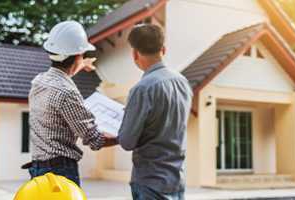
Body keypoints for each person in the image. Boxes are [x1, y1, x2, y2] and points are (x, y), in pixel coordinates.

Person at [27, 21, 118, 187]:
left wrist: (81, 63)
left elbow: (62, 74)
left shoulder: (39, 82)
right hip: (60, 173)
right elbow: (95, 140)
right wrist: (124, 136)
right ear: (78, 55)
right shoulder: (67, 92)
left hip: (37, 171)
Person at [118, 24, 193, 200]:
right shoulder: (183, 83)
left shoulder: (142, 89)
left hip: (150, 182)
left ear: (135, 54)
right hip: (176, 179)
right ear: (164, 49)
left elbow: (127, 141)